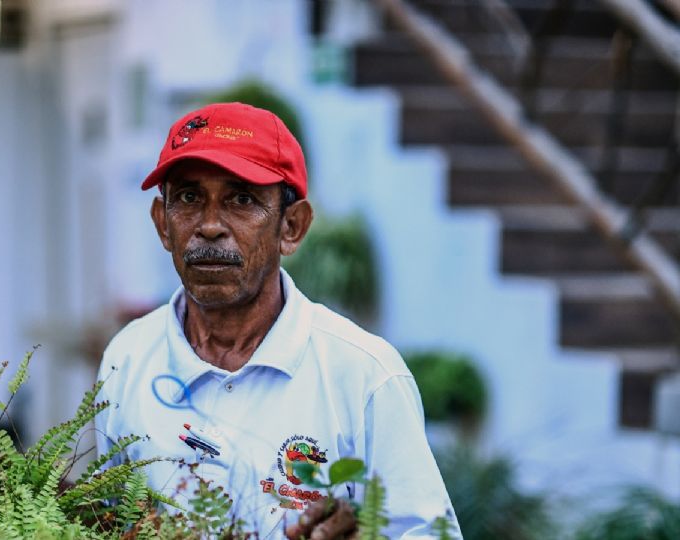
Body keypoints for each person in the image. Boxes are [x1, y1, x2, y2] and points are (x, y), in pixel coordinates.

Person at [95, 102, 459, 538]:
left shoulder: (365, 376)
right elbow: (104, 521)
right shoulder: (128, 358)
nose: (210, 225)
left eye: (241, 199)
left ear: (292, 226)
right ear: (162, 223)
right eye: (190, 198)